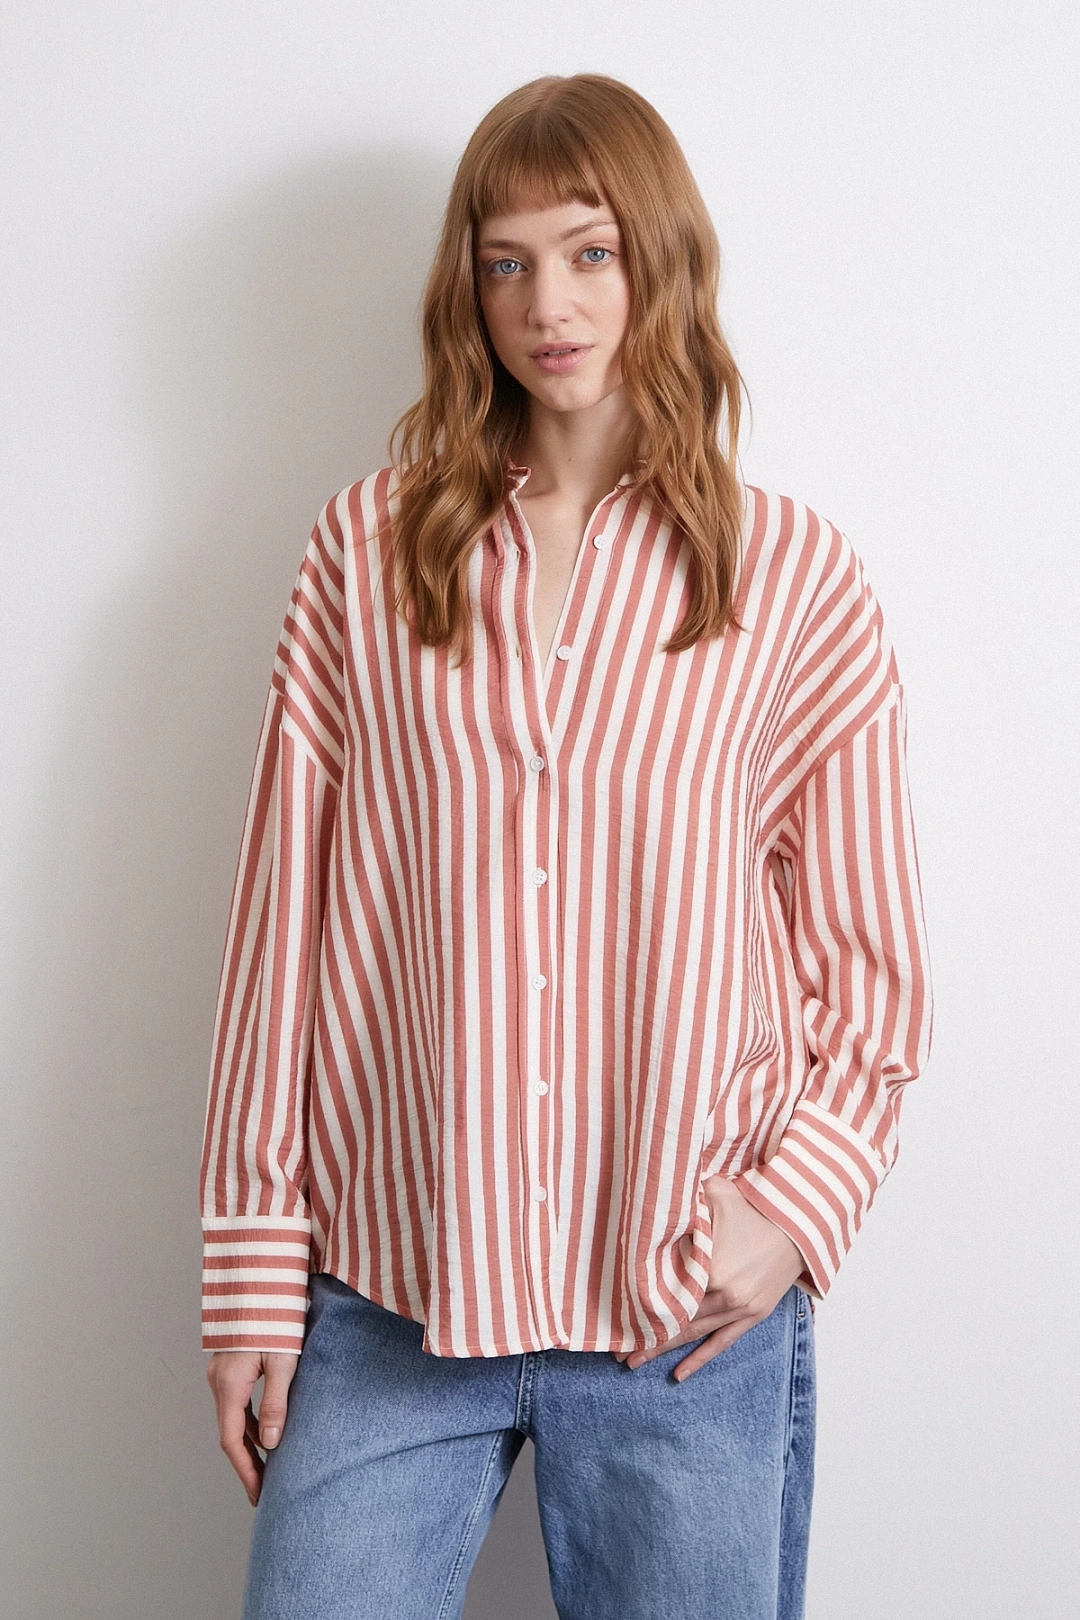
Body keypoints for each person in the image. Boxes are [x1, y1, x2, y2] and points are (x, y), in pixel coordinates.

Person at [200, 72, 933, 1620]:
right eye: (508, 261)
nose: (549, 304)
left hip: (683, 1311)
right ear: (468, 289)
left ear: (661, 259)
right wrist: (254, 1262)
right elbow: (284, 934)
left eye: (592, 251)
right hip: (392, 1291)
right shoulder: (365, 556)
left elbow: (873, 972)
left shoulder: (794, 580)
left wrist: (792, 1210)